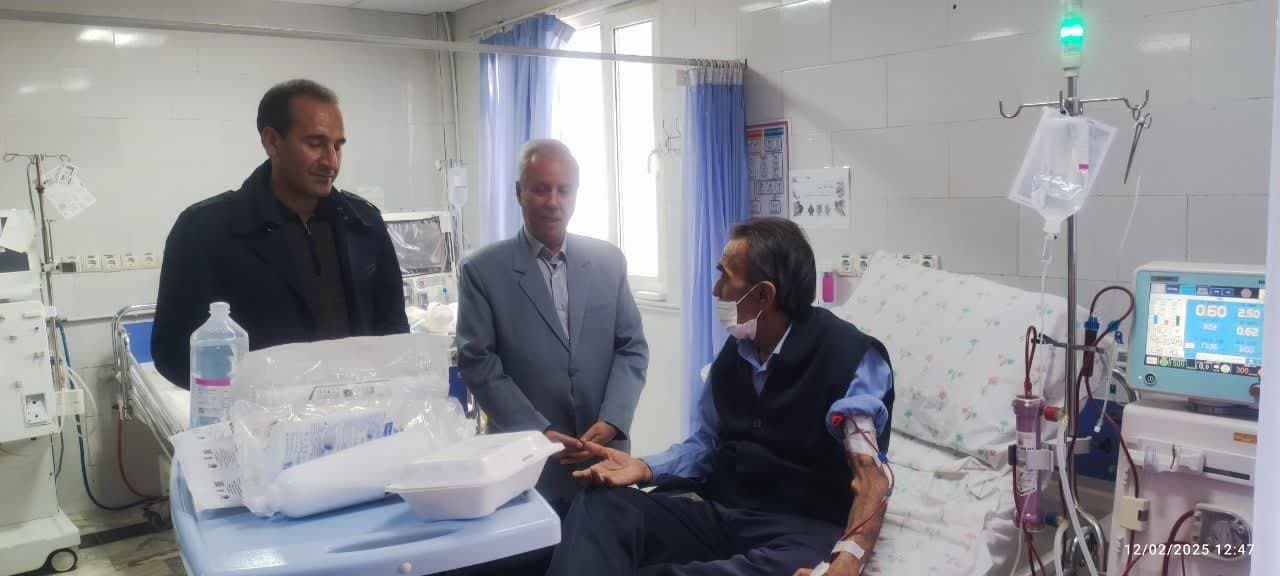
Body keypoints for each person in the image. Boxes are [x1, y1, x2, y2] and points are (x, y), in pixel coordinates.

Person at [547, 218, 895, 576]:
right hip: (725, 513)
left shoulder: (851, 358)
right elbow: (707, 444)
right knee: (602, 507)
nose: (716, 290)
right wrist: (645, 468)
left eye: (725, 277)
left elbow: (871, 476)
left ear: (764, 295)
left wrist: (850, 559)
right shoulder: (734, 356)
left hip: (801, 530)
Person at [153, 79, 409, 388]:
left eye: (338, 146)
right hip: (259, 413)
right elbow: (173, 352)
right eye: (315, 143)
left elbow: (394, 329)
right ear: (272, 142)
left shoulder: (364, 223)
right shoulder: (206, 230)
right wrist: (249, 395)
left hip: (359, 407)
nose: (331, 161)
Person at [456, 139, 649, 516]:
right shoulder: (483, 271)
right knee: (534, 546)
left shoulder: (608, 261)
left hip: (602, 453)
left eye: (564, 190)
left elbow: (631, 347)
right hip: (525, 457)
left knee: (606, 541)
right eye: (541, 188)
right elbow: (477, 361)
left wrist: (614, 418)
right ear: (519, 192)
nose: (553, 201)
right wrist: (535, 431)